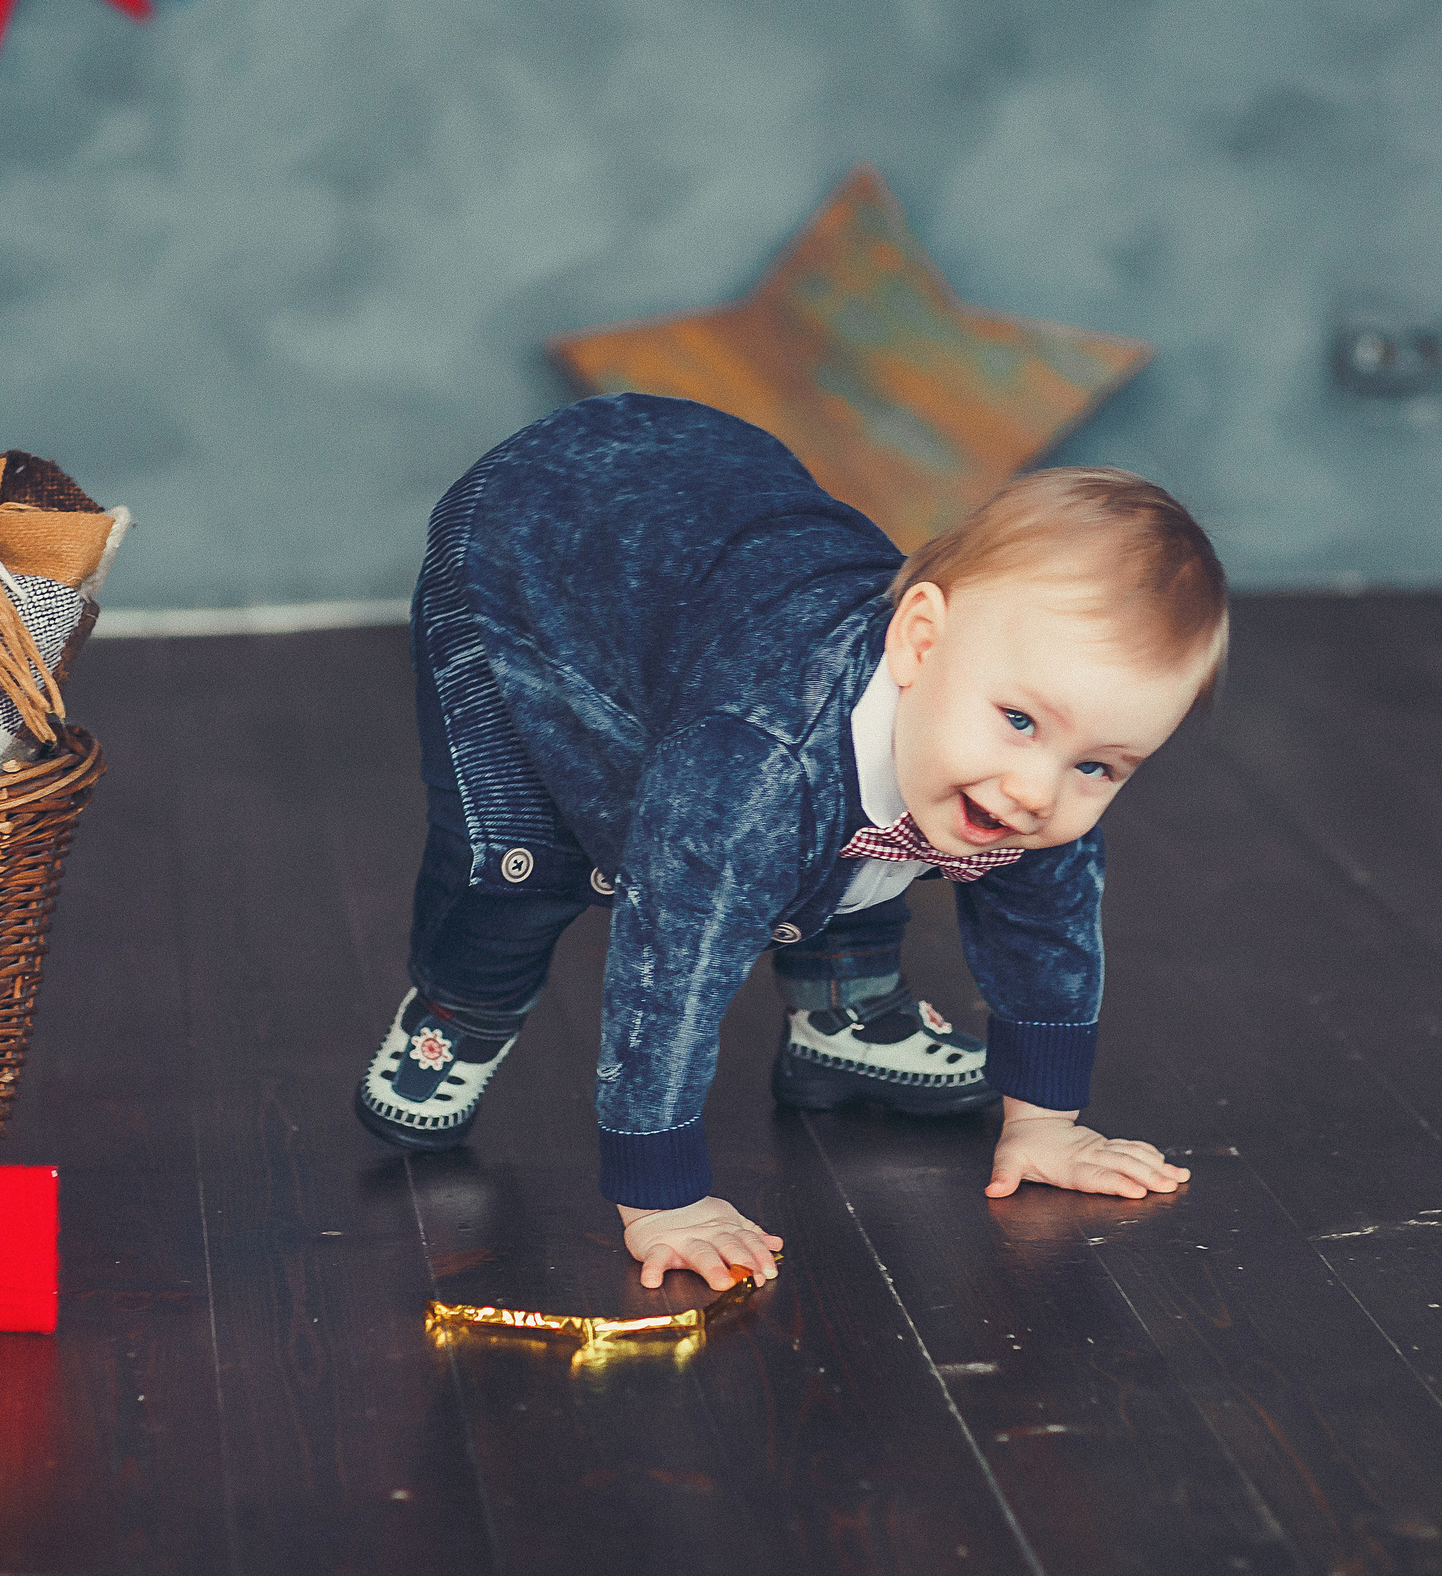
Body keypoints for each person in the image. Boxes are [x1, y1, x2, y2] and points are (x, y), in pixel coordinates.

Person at [357, 394, 1228, 1291]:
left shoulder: (1023, 761)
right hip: (536, 548)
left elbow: (1047, 929)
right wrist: (662, 1197)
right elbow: (673, 962)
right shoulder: (752, 764)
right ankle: (460, 1013)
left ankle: (841, 1011)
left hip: (722, 539)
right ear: (919, 641)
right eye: (1018, 721)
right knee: (524, 848)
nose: (1037, 789)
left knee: (887, 817)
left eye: (1101, 768)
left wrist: (1046, 1122)